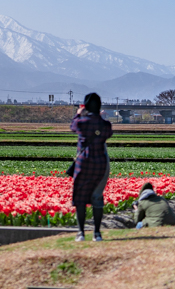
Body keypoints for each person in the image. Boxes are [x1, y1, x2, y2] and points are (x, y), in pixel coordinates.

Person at [70, 92, 113, 242]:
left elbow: (73, 126)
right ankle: (97, 233)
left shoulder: (81, 122)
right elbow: (108, 133)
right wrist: (100, 117)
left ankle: (81, 233)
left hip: (83, 163)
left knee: (80, 198)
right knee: (97, 197)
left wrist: (78, 114)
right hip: (100, 164)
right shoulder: (105, 124)